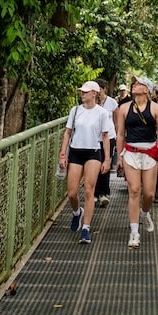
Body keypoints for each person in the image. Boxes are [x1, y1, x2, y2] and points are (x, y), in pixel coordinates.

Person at [116, 75, 158, 249]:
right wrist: (119, 157)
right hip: (131, 151)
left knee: (149, 194)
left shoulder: (155, 109)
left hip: (150, 152)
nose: (135, 85)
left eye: (139, 83)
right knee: (134, 190)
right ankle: (134, 232)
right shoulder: (124, 109)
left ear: (146, 89)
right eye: (134, 83)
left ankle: (144, 213)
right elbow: (121, 134)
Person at [58, 80, 111, 245]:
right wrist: (62, 154)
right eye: (81, 91)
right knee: (72, 192)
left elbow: (105, 136)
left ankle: (86, 228)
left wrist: (107, 158)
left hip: (93, 152)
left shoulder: (102, 113)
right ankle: (76, 212)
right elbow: (68, 133)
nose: (82, 94)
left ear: (94, 94)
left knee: (89, 190)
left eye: (86, 92)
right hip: (75, 151)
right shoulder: (75, 111)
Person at [94, 78, 118, 207]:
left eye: (99, 89)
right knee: (95, 165)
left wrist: (118, 137)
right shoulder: (92, 103)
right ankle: (95, 193)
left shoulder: (112, 103)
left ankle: (104, 192)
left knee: (106, 162)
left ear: (104, 89)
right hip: (94, 138)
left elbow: (117, 121)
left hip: (109, 137)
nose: (97, 92)